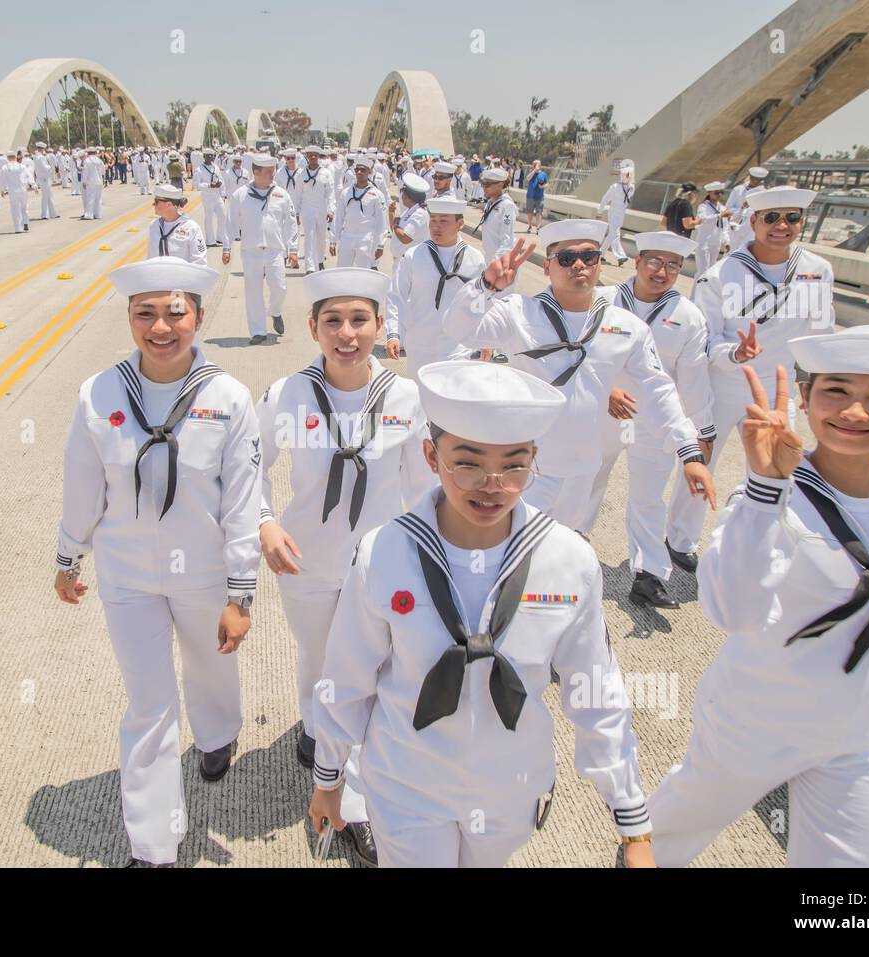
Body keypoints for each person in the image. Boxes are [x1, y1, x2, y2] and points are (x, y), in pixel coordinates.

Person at [308, 359, 656, 868]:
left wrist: (633, 822)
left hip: (509, 786)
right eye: (467, 462)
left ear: (535, 458)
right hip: (407, 782)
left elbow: (595, 690)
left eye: (514, 464)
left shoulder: (566, 560)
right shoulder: (385, 552)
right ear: (431, 455)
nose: (492, 484)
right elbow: (347, 676)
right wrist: (329, 777)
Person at [648, 326, 869, 867]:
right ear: (808, 400)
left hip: (868, 734)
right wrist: (767, 488)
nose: (856, 412)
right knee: (674, 833)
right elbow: (733, 610)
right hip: (761, 717)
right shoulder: (770, 497)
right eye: (836, 391)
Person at [53, 256, 261, 867]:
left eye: (176, 313)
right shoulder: (99, 392)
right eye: (146, 313)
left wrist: (241, 593)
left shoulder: (228, 397)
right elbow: (82, 482)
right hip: (128, 575)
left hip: (203, 570)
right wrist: (69, 556)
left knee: (209, 667)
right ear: (129, 318)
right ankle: (154, 844)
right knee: (149, 704)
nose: (161, 327)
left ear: (198, 316)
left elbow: (244, 501)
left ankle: (218, 734)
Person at [257, 267, 433, 866]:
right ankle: (315, 727)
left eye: (360, 320)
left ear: (381, 326)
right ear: (313, 328)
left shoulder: (406, 397)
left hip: (379, 562)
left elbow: (424, 485)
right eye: (333, 321)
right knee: (317, 656)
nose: (347, 333)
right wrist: (264, 521)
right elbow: (247, 467)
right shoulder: (289, 394)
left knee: (372, 667)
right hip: (304, 558)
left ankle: (354, 796)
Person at [444, 222, 715, 530]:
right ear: (547, 267)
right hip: (527, 464)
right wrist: (485, 287)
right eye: (565, 258)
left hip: (583, 468)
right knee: (515, 548)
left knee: (563, 549)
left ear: (599, 264)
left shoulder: (626, 327)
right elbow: (459, 329)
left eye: (589, 256)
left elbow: (658, 389)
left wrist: (689, 451)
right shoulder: (518, 312)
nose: (578, 265)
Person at [665, 186, 833, 572]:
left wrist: (814, 383)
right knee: (701, 459)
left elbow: (819, 334)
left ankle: (758, 541)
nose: (782, 226)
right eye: (771, 218)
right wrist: (735, 354)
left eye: (792, 217)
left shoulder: (816, 270)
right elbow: (702, 343)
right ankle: (680, 538)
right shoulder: (720, 274)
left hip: (778, 386)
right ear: (753, 222)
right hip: (723, 383)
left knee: (774, 468)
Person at [584, 231, 716, 609]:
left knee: (647, 498)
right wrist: (605, 388)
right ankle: (572, 541)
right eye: (655, 262)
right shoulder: (602, 301)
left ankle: (648, 575)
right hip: (603, 414)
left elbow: (693, 382)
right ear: (638, 261)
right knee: (587, 481)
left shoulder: (688, 317)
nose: (663, 271)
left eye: (673, 265)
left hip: (653, 421)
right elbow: (578, 355)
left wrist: (701, 431)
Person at [386, 196, 485, 374]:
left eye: (444, 221)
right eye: (433, 220)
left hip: (457, 347)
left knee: (453, 398)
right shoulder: (414, 256)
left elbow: (479, 303)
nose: (436, 226)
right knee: (420, 399)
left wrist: (484, 340)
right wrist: (393, 333)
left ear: (460, 224)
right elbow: (396, 296)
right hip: (420, 346)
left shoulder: (475, 259)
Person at [222, 153, 297, 344]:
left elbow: (291, 223)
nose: (273, 175)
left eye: (273, 171)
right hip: (251, 250)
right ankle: (258, 331)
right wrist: (227, 247)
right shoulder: (241, 195)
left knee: (280, 287)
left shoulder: (281, 194)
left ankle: (275, 311)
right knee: (253, 291)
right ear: (256, 172)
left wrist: (293, 248)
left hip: (274, 250)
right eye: (269, 172)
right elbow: (230, 222)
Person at [331, 157, 388, 270]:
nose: (359, 173)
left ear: (369, 172)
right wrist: (333, 240)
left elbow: (381, 222)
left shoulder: (376, 194)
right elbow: (338, 218)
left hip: (365, 238)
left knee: (364, 273)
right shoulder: (346, 193)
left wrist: (380, 244)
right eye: (357, 170)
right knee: (342, 271)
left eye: (363, 170)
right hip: (347, 236)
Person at [296, 146, 336, 273]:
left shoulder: (326, 173)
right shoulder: (301, 174)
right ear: (307, 156)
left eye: (315, 155)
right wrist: (296, 213)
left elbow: (331, 194)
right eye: (310, 155)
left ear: (318, 156)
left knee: (321, 237)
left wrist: (331, 209)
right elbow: (298, 195)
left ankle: (319, 261)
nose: (313, 157)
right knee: (309, 236)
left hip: (322, 208)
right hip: (307, 209)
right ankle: (310, 267)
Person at [147, 185, 206, 265]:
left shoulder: (192, 228)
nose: (153, 205)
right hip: (158, 276)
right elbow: (151, 257)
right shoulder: (154, 225)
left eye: (156, 202)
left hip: (181, 276)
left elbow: (199, 261)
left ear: (168, 204)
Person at [475, 167, 517, 263]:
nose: (484, 188)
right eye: (483, 184)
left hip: (500, 261)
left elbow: (507, 240)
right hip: (490, 258)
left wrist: (496, 263)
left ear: (500, 185)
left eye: (488, 184)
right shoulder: (490, 203)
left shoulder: (507, 206)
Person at [387, 172, 430, 267]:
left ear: (409, 196)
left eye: (403, 194)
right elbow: (396, 232)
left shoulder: (419, 214)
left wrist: (395, 225)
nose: (401, 196)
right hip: (401, 261)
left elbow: (405, 238)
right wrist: (391, 213)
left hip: (409, 263)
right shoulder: (410, 211)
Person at [596, 162, 635, 264]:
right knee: (615, 234)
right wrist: (599, 212)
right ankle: (620, 256)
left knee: (611, 235)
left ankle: (600, 253)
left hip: (621, 214)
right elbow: (605, 199)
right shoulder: (615, 187)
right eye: (626, 174)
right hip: (613, 212)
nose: (627, 176)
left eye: (628, 175)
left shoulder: (631, 187)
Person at [725, 167, 768, 251]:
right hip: (734, 227)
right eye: (753, 178)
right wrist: (741, 208)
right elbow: (728, 209)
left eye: (758, 180)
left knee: (745, 253)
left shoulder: (764, 194)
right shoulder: (738, 190)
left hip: (750, 230)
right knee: (730, 254)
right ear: (750, 177)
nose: (755, 182)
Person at [192, 148, 227, 247]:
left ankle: (220, 238)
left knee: (222, 216)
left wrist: (222, 192)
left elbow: (221, 179)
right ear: (204, 157)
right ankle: (210, 240)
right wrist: (208, 185)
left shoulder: (215, 167)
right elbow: (195, 184)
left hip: (217, 195)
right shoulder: (199, 169)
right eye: (208, 155)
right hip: (207, 196)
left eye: (212, 155)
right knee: (209, 218)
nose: (210, 157)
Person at [694, 181, 729, 278]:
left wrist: (726, 241)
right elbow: (702, 220)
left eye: (721, 192)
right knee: (702, 273)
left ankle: (705, 293)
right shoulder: (703, 206)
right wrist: (719, 215)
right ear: (709, 193)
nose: (719, 195)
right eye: (717, 193)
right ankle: (696, 293)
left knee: (710, 273)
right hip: (704, 242)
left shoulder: (722, 208)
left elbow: (724, 226)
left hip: (716, 243)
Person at [524, 161, 548, 234]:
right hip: (530, 196)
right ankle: (530, 226)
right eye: (534, 164)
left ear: (540, 165)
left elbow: (547, 184)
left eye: (537, 164)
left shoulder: (543, 174)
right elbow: (527, 178)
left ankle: (538, 227)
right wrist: (534, 170)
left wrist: (543, 186)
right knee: (530, 212)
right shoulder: (531, 173)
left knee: (539, 212)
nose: (535, 165)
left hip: (539, 197)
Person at [81, 149, 106, 220]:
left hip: (91, 182)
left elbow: (86, 172)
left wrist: (84, 182)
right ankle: (98, 214)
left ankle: (89, 215)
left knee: (90, 198)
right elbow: (103, 172)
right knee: (98, 199)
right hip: (99, 182)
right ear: (95, 153)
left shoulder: (87, 161)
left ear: (88, 153)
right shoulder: (99, 160)